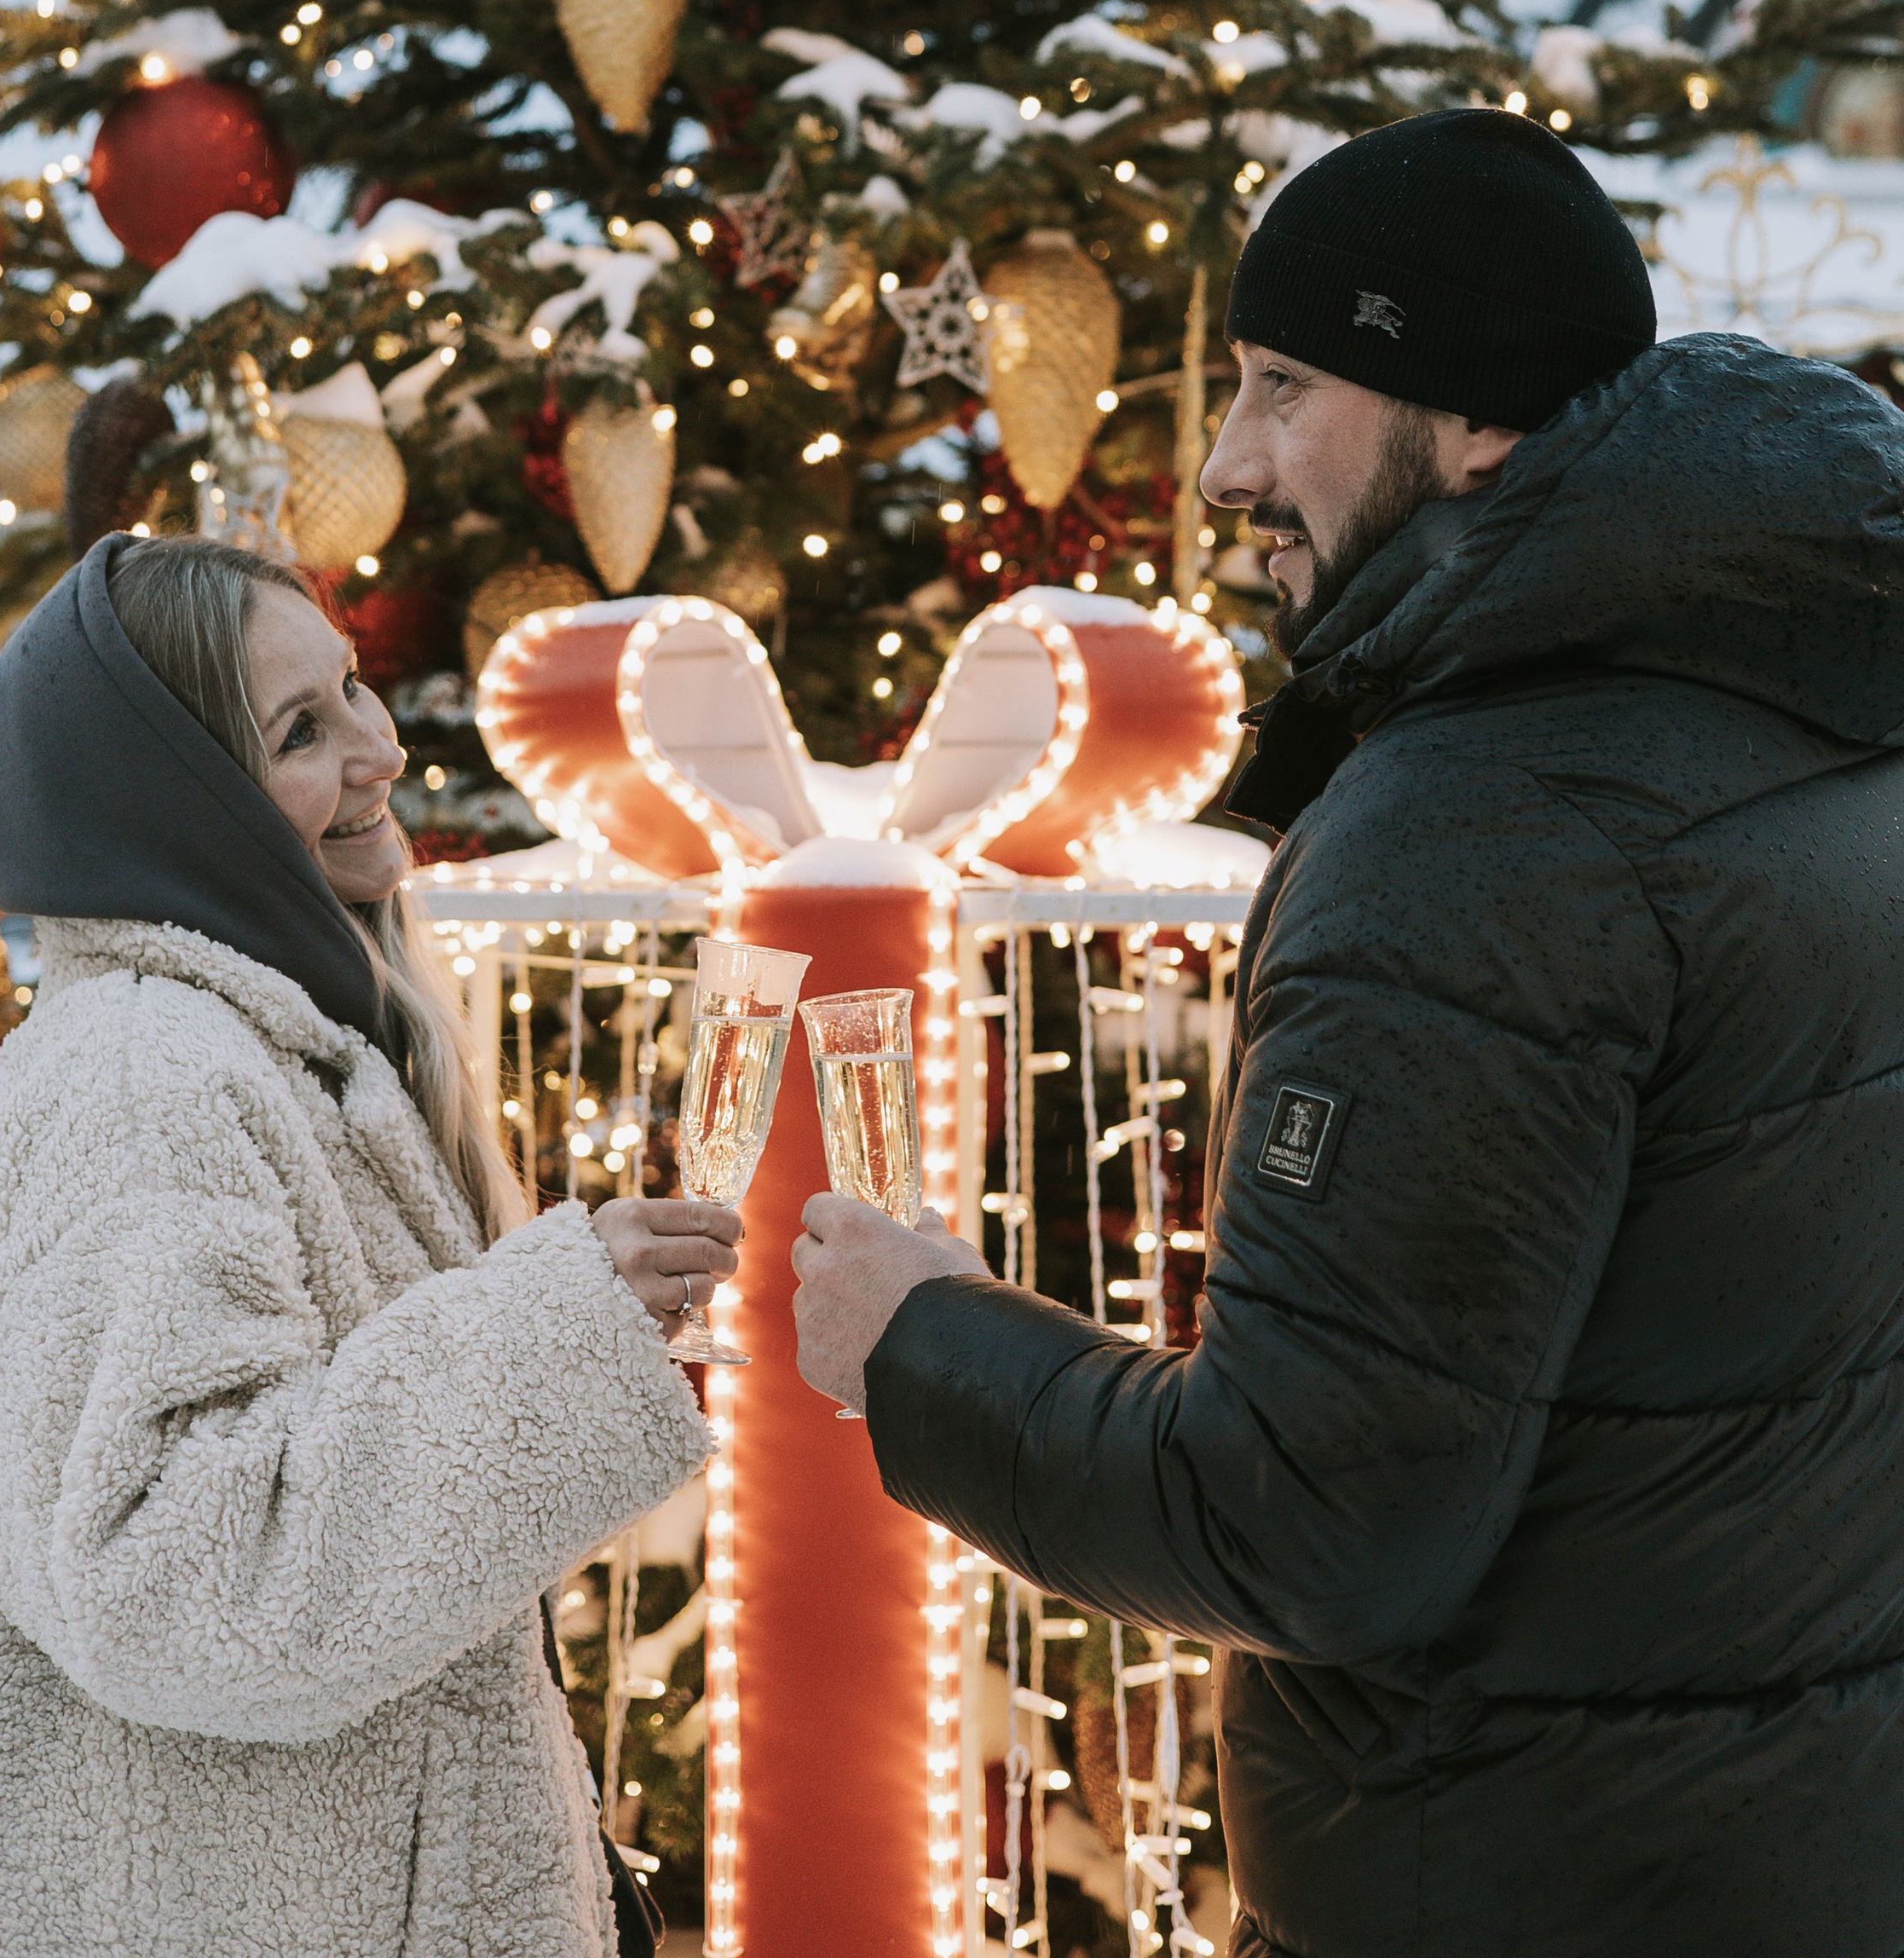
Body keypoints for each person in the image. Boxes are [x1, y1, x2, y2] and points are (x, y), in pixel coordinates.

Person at [793, 107, 1904, 1955]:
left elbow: (1314, 1522)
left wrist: (916, 1347)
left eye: (1281, 385)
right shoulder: (1817, 716)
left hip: (1501, 1879)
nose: (1223, 467)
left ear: (1469, 421)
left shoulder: (1478, 837)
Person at [0, 533, 736, 1958]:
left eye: (356, 689)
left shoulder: (285, 1053)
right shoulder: (144, 1073)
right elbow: (164, 1576)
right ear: (182, 807)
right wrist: (550, 1333)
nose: (380, 749)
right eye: (302, 731)